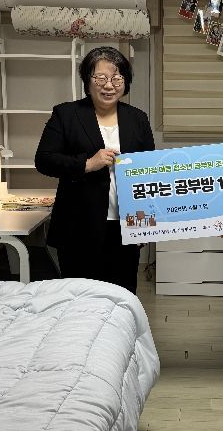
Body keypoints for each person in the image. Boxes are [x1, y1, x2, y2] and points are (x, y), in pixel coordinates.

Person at [35, 46, 154, 294]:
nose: (109, 85)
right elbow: (44, 160)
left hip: (124, 226)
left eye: (117, 78)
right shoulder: (66, 114)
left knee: (122, 297)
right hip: (78, 226)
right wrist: (87, 164)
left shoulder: (138, 119)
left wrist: (145, 225)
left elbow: (148, 173)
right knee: (79, 298)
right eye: (101, 78)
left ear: (125, 82)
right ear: (88, 81)